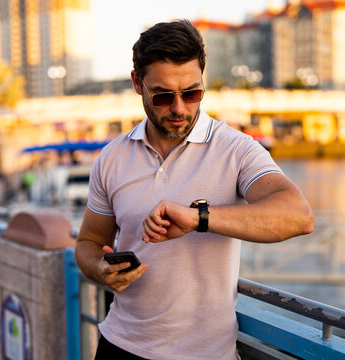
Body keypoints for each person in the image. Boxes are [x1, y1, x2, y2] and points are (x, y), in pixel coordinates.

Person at [75, 19, 313, 360]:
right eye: (162, 95)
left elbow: (298, 217)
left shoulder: (235, 149)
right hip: (120, 346)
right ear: (136, 84)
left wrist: (198, 218)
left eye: (192, 93)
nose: (179, 108)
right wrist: (100, 269)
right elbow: (87, 242)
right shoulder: (111, 157)